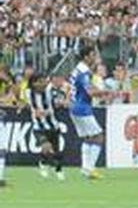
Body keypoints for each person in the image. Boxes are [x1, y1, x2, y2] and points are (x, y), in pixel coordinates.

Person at [70, 48, 106, 180]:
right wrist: (105, 92)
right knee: (98, 136)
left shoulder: (77, 69)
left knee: (88, 138)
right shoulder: (84, 72)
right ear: (85, 57)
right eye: (92, 55)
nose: (94, 58)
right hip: (82, 107)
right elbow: (90, 92)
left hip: (74, 107)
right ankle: (90, 168)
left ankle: (85, 168)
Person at [29, 72, 66, 180]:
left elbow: (55, 105)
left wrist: (48, 111)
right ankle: (43, 164)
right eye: (40, 81)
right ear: (34, 83)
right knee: (46, 146)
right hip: (38, 127)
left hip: (53, 125)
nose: (44, 83)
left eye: (44, 80)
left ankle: (58, 169)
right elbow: (31, 107)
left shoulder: (49, 91)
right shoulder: (28, 93)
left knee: (56, 152)